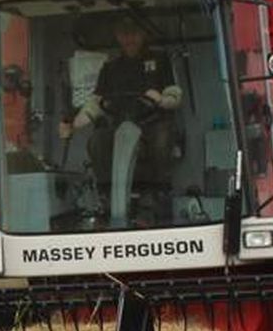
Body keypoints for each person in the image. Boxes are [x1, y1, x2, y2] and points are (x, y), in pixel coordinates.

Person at [59, 19, 184, 219]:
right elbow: (95, 104)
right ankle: (107, 194)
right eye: (124, 33)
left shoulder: (160, 60)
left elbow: (174, 94)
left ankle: (158, 191)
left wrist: (161, 99)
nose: (130, 38)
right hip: (120, 125)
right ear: (118, 36)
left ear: (143, 34)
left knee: (162, 137)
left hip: (152, 124)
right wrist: (73, 125)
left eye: (134, 32)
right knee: (97, 141)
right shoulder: (110, 68)